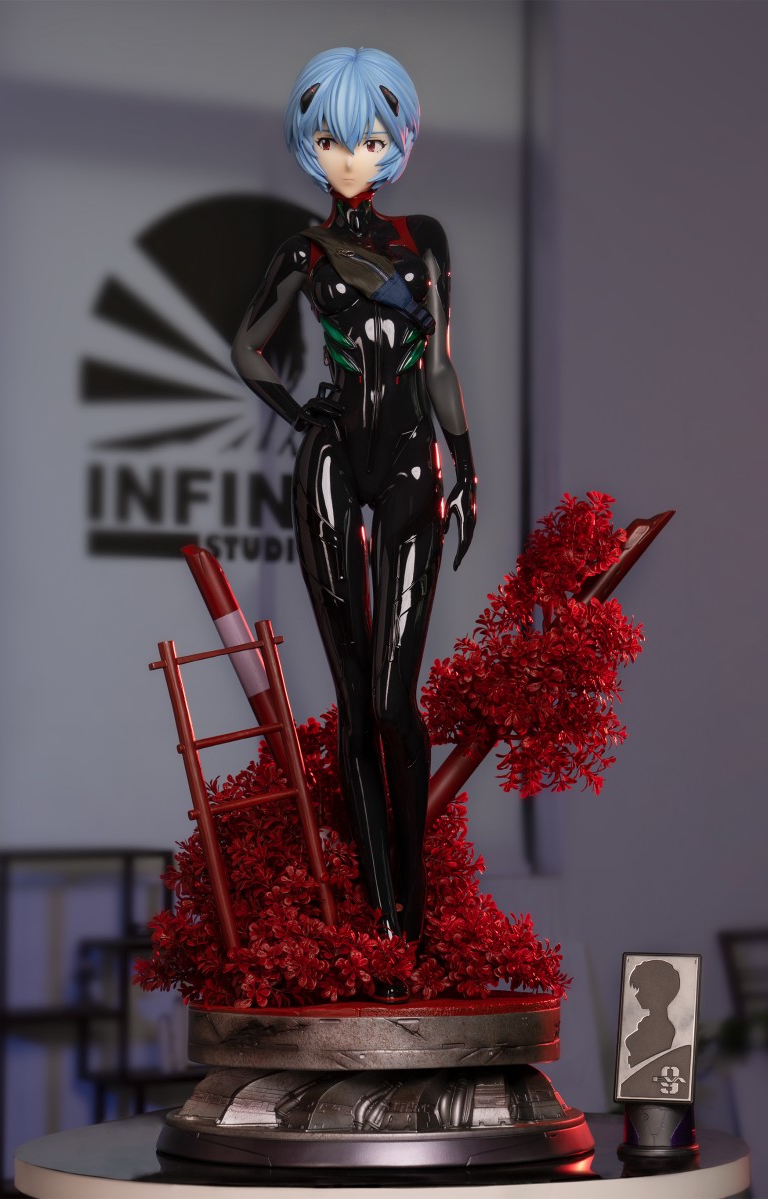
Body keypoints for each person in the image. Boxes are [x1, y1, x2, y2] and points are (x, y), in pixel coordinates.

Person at [232, 47, 477, 989]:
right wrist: (303, 419)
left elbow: (441, 364)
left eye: (369, 139)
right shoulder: (303, 249)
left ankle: (412, 917)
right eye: (332, 140)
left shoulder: (425, 238)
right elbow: (247, 348)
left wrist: (467, 465)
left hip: (413, 456)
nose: (349, 157)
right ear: (311, 145)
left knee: (391, 702)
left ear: (396, 142)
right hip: (333, 457)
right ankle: (381, 921)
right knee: (350, 701)